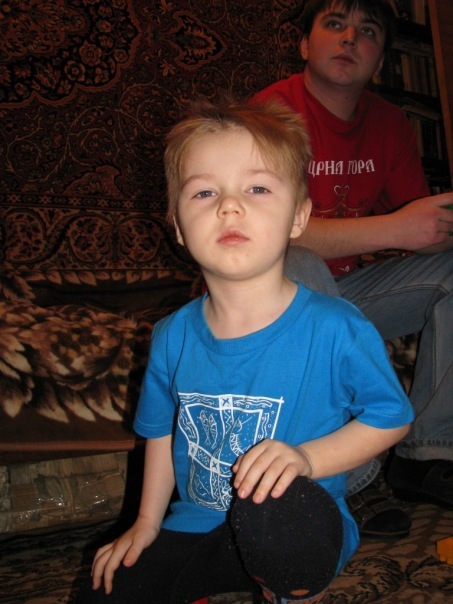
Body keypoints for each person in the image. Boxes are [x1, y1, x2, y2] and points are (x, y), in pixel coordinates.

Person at [74, 100, 413, 604]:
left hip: (294, 518)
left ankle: (291, 589)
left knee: (281, 525)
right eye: (204, 192)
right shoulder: (170, 335)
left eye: (257, 188)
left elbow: (391, 417)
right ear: (178, 225)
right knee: (104, 587)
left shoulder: (335, 327)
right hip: (198, 524)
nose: (229, 206)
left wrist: (306, 458)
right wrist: (145, 523)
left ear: (299, 216)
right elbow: (160, 432)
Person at [251, 0, 453, 540]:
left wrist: (434, 227)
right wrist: (395, 229)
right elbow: (266, 233)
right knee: (300, 261)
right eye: (335, 25)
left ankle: (425, 453)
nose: (349, 39)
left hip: (344, 295)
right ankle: (351, 476)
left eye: (366, 32)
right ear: (304, 44)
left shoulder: (389, 123)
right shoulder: (271, 113)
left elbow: (420, 234)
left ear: (380, 60)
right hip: (265, 303)